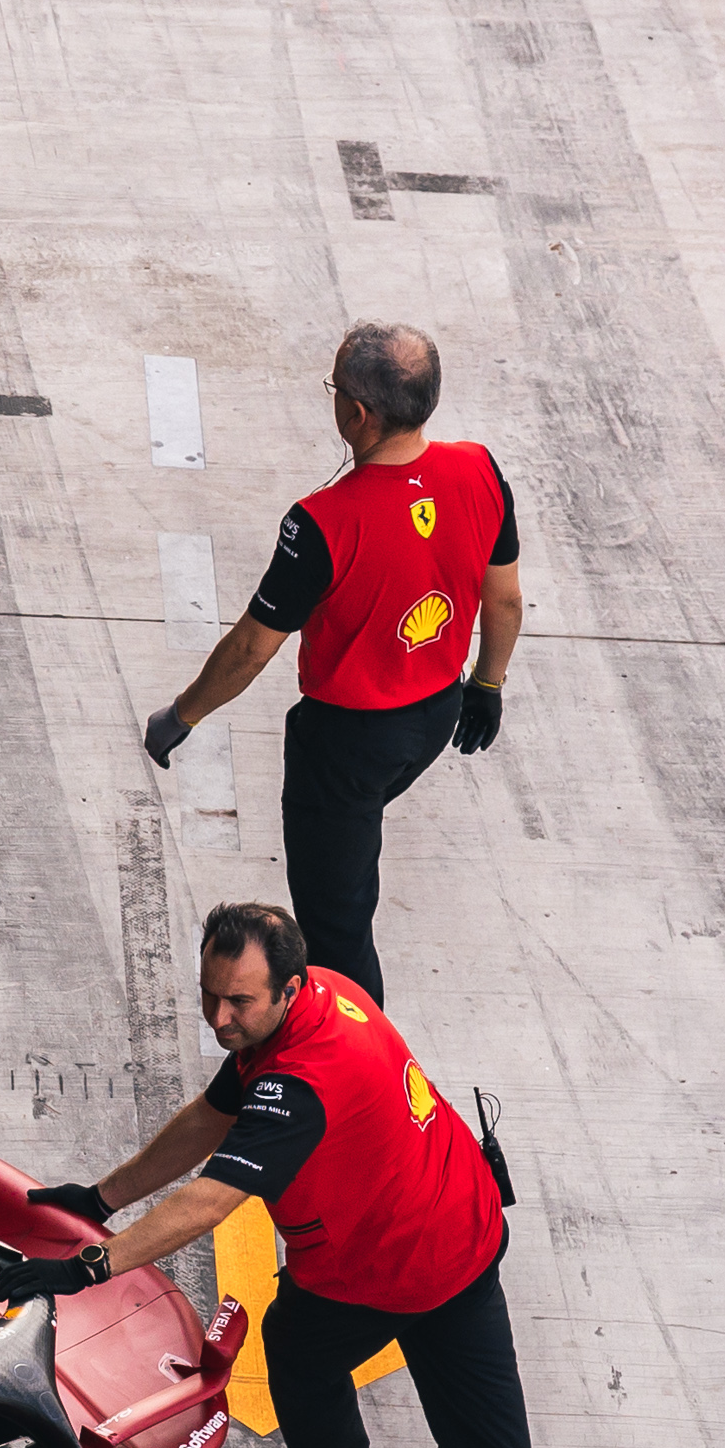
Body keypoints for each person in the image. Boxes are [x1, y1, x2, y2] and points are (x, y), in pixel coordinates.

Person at [18, 903, 538, 1448]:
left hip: (387, 1265)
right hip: (463, 1225)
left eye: (238, 1001)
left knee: (299, 1354)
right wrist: (102, 1195)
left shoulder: (300, 1084)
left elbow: (210, 1202)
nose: (219, 1017)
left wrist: (89, 1267)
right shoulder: (326, 991)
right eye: (209, 993)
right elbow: (212, 1114)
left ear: (286, 990)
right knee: (488, 1437)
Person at [138, 322, 518, 1002]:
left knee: (336, 932)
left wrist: (181, 715)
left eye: (334, 389)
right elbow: (507, 602)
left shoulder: (321, 522)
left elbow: (253, 646)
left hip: (344, 745)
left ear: (357, 413)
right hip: (434, 714)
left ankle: (361, 1074)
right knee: (346, 877)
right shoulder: (480, 468)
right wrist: (485, 684)